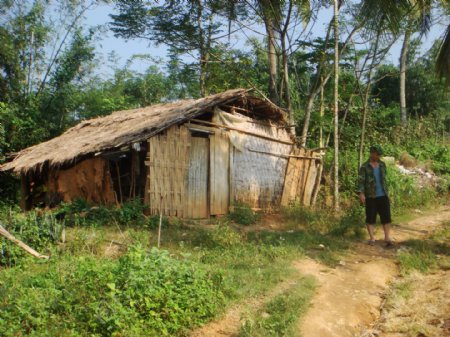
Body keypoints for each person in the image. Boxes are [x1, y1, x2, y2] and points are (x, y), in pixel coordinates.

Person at [358, 145, 393, 247]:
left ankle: (387, 238)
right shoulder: (364, 166)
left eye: (379, 155)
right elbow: (361, 181)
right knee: (370, 218)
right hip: (371, 196)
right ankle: (372, 238)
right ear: (372, 153)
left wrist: (387, 193)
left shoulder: (382, 165)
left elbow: (384, 180)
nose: (378, 156)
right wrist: (361, 193)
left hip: (383, 194)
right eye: (377, 154)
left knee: (386, 217)